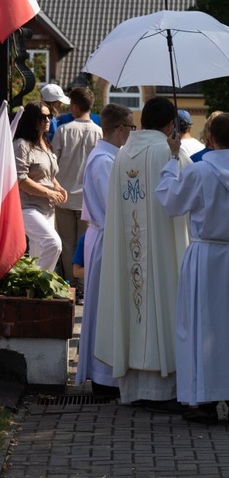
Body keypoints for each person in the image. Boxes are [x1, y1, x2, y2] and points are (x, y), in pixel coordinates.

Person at [156, 112, 229, 425]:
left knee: (202, 328)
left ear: (210, 139)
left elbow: (171, 202)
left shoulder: (199, 171)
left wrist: (171, 161)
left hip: (206, 256)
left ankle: (205, 402)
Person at [95, 96, 190, 412]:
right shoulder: (168, 152)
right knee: (164, 305)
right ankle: (165, 390)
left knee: (132, 304)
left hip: (130, 254)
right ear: (169, 125)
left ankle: (136, 387)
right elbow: (189, 197)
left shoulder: (122, 155)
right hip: (163, 254)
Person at [75, 103, 133, 395]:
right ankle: (103, 377)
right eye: (131, 128)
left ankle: (108, 375)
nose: (132, 134)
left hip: (108, 239)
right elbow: (114, 207)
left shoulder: (112, 157)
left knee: (108, 307)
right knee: (103, 309)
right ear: (121, 129)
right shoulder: (104, 161)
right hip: (106, 240)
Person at [51, 87, 102, 298]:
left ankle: (70, 285)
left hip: (64, 195)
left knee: (67, 243)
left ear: (74, 105)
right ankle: (83, 286)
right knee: (85, 243)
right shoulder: (99, 132)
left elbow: (53, 162)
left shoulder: (64, 130)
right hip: (87, 199)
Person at [13, 100, 66, 272]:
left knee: (39, 253)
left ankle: (34, 294)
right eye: (42, 117)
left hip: (47, 209)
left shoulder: (45, 142)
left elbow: (49, 174)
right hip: (27, 207)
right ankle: (37, 285)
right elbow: (21, 180)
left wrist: (57, 187)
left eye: (49, 116)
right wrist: (49, 193)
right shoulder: (22, 144)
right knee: (53, 244)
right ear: (31, 119)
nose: (47, 120)